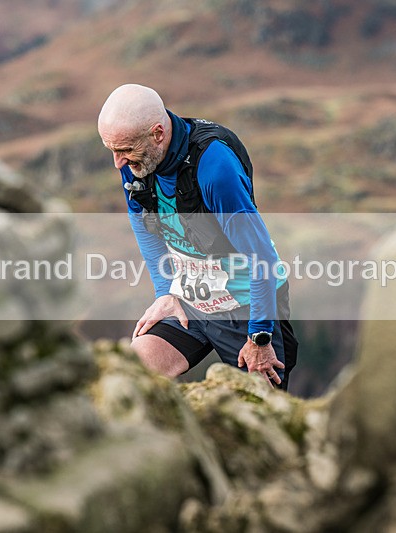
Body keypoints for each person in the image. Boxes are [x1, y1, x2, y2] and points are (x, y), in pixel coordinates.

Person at [97, 84, 298, 390]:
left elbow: (263, 259)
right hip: (188, 301)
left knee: (262, 405)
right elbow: (143, 224)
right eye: (112, 150)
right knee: (132, 379)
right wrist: (165, 291)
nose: (118, 163)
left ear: (158, 134)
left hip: (247, 306)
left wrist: (260, 336)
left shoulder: (215, 168)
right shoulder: (136, 159)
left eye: (124, 151)